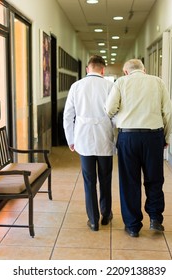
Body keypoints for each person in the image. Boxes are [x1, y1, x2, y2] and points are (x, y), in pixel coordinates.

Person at [105, 58, 172, 237]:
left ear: (126, 71)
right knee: (155, 178)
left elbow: (109, 109)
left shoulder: (121, 82)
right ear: (144, 70)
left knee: (129, 181)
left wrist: (119, 117)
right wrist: (166, 136)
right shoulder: (157, 82)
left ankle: (133, 225)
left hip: (128, 136)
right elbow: (169, 112)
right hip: (153, 137)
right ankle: (155, 218)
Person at [63, 55, 115, 231]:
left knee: (89, 180)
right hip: (105, 138)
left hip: (83, 139)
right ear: (103, 69)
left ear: (87, 69)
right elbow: (116, 114)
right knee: (105, 178)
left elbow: (68, 115)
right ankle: (106, 214)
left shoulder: (76, 86)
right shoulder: (110, 86)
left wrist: (71, 139)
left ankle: (93, 220)